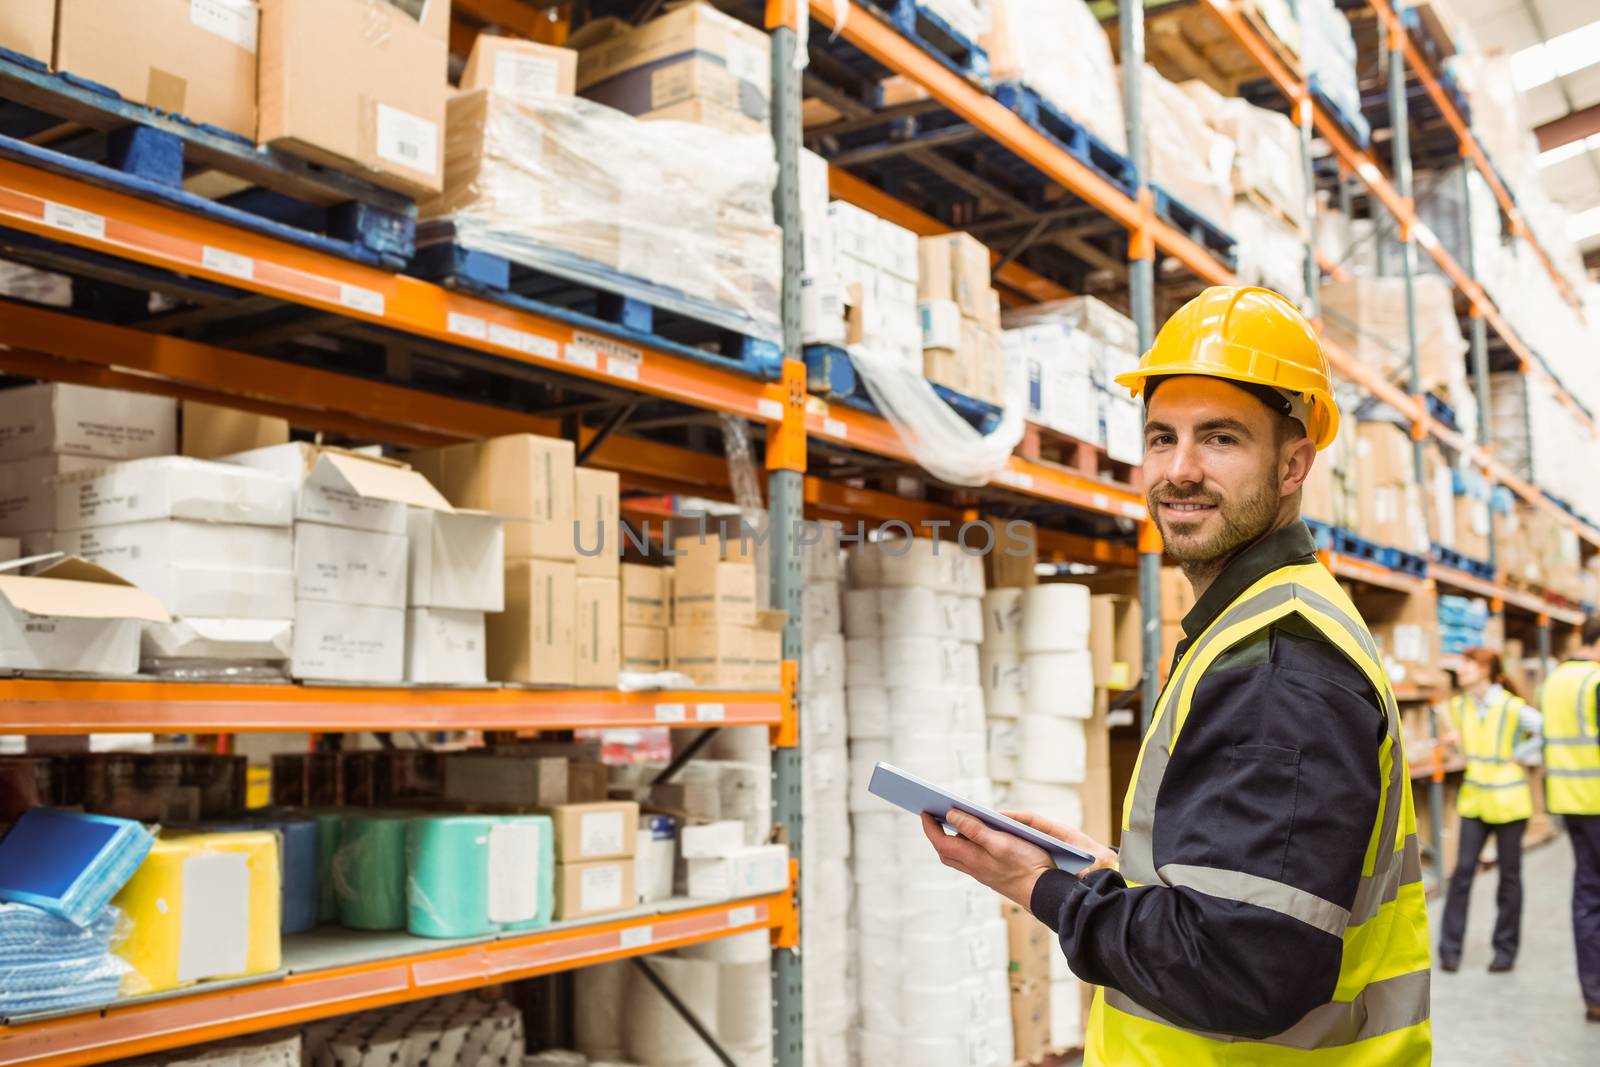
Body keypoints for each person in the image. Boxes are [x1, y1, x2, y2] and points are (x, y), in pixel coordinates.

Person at [919, 286, 1431, 1065]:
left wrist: (1044, 887)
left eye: (1220, 438)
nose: (1179, 470)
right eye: (1162, 438)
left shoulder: (1279, 664)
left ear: (1293, 461)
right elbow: (1234, 895)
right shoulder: (1252, 625)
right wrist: (1109, 874)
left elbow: (1239, 967)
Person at [1433, 647, 1541, 972]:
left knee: (1509, 878)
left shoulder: (1511, 706)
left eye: (1468, 664)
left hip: (1509, 802)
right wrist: (1454, 740)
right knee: (1462, 873)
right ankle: (1449, 951)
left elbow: (1545, 730)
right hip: (1475, 799)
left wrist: (1521, 752)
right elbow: (1464, 740)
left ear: (1486, 669)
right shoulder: (1460, 706)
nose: (1461, 669)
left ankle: (1505, 951)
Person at [1540, 617, 1600, 1022]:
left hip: (1570, 801)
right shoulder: (1594, 682)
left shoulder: (1555, 680)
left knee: (1587, 896)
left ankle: (1594, 994)